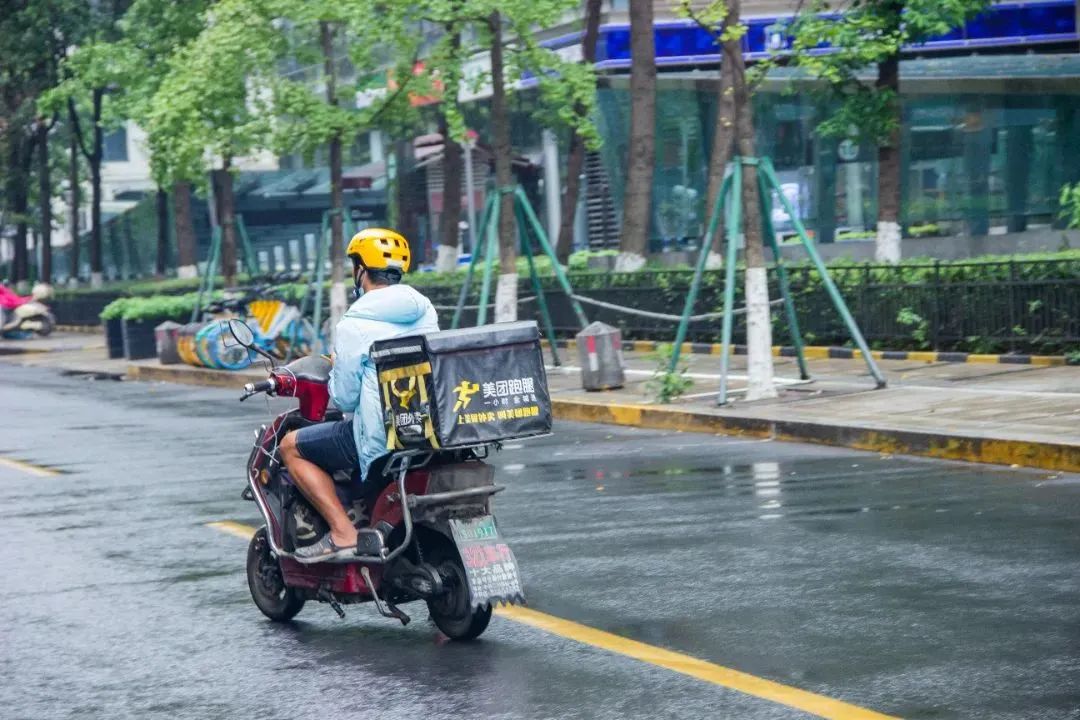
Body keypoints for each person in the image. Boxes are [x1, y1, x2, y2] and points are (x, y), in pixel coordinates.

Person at [280, 228, 438, 563]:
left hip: (380, 436)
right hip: (426, 425)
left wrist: (337, 367)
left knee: (291, 446)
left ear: (361, 270)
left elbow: (346, 398)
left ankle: (342, 533)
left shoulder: (352, 324)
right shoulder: (424, 310)